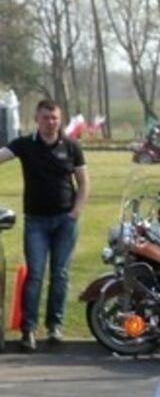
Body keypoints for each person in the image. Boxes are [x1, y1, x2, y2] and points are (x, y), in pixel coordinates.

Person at [0, 98, 90, 351]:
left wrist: (75, 212)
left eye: (54, 118)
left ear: (59, 120)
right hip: (36, 222)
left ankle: (55, 326)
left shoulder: (72, 146)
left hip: (65, 221)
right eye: (45, 118)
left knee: (60, 275)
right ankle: (28, 330)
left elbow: (84, 182)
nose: (50, 123)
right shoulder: (25, 145)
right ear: (37, 119)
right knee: (36, 275)